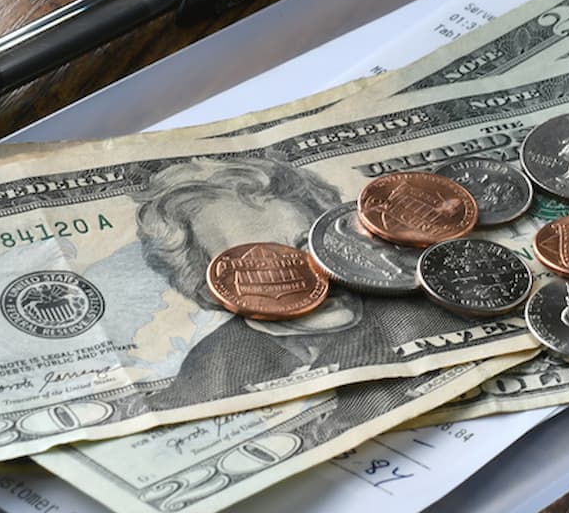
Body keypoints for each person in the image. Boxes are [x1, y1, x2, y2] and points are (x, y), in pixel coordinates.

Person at [135, 155, 483, 395]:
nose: (311, 267)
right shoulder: (209, 374)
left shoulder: (433, 310)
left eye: (307, 243)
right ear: (208, 289)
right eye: (263, 260)